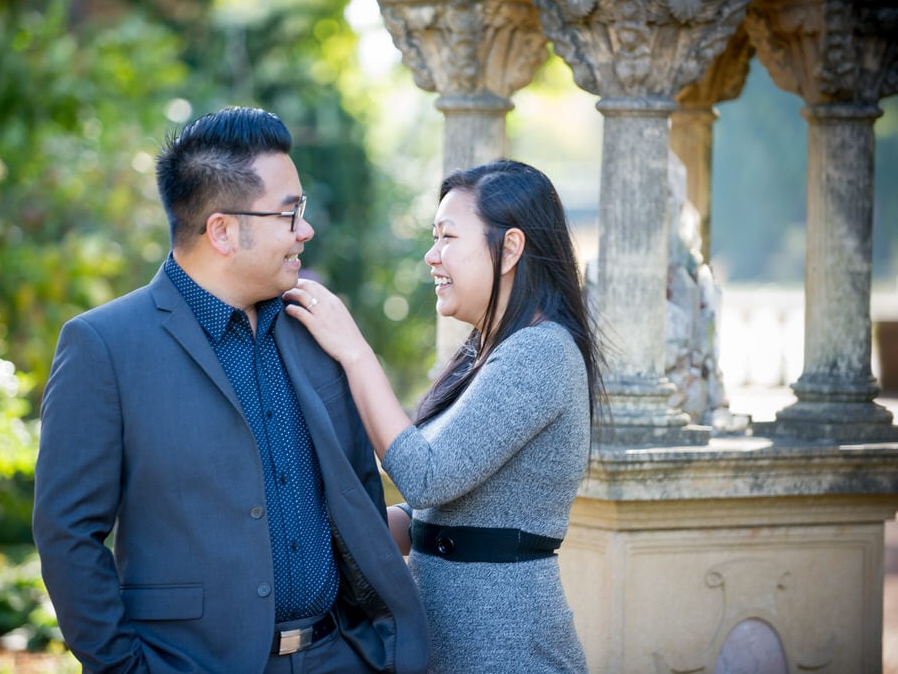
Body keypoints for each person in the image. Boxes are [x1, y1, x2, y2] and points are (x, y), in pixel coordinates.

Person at [32, 106, 429, 674]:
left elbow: (356, 492)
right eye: (289, 214)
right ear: (221, 230)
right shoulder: (104, 345)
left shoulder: (316, 329)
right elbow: (67, 534)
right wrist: (126, 669)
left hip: (340, 658)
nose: (306, 230)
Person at [284, 159, 604, 673]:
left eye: (447, 237)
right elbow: (435, 514)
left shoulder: (541, 353)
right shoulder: (486, 351)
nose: (432, 256)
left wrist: (355, 351)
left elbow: (427, 477)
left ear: (511, 248)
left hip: (507, 652)